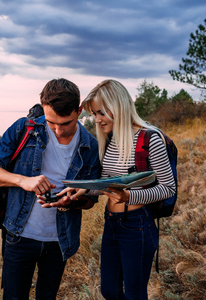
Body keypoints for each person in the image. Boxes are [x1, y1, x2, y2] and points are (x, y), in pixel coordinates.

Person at [0, 78, 101, 300]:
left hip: (60, 241)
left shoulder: (90, 145)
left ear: (79, 110)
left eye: (67, 123)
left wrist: (73, 201)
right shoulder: (23, 128)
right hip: (19, 235)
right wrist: (23, 180)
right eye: (51, 121)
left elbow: (92, 197)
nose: (58, 130)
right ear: (43, 108)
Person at [68, 79, 176, 299]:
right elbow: (109, 182)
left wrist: (129, 196)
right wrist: (85, 190)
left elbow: (168, 188)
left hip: (138, 225)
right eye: (94, 114)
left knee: (134, 294)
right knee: (110, 291)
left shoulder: (150, 138)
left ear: (117, 107)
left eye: (100, 113)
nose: (96, 120)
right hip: (112, 223)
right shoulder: (111, 139)